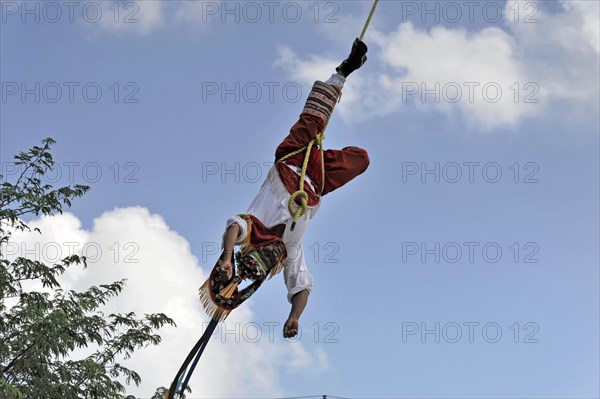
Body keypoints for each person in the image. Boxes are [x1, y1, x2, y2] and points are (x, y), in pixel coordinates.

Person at [217, 38, 370, 338]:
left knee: (312, 120)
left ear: (258, 250)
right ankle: (334, 105)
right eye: (273, 261)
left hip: (292, 157)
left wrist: (225, 258)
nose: (275, 256)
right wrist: (294, 317)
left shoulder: (255, 229)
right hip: (316, 180)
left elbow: (234, 227)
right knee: (361, 159)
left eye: (268, 255)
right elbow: (301, 285)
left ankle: (342, 72)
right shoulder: (290, 250)